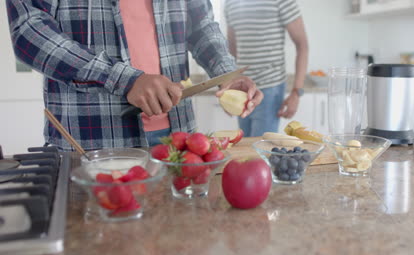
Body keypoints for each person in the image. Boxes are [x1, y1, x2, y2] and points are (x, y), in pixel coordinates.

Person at [6, 0, 263, 151]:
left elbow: (201, 25)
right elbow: (29, 31)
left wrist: (226, 73)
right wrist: (123, 78)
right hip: (93, 143)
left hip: (179, 139)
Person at [224, 0, 308, 137]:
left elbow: (302, 45)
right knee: (245, 149)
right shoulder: (230, 3)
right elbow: (232, 49)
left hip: (270, 89)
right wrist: (229, 86)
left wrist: (296, 92)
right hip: (243, 89)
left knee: (261, 152)